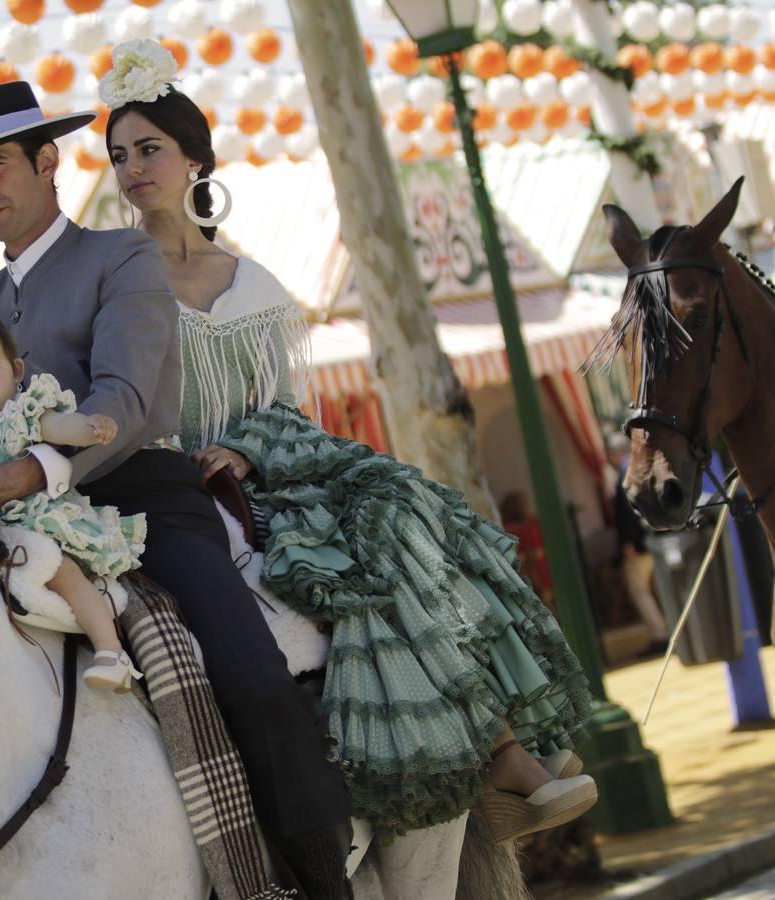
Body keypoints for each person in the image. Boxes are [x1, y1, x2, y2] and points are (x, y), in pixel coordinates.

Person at [99, 39, 598, 850]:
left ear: (196, 159)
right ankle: (494, 757)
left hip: (264, 472)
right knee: (353, 557)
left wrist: (250, 448)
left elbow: (289, 406)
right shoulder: (119, 276)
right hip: (179, 491)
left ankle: (503, 747)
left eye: (149, 149)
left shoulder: (251, 281)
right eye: (119, 155)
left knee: (404, 507)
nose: (132, 169)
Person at [0, 78, 353, 894]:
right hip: (16, 523)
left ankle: (324, 878)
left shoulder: (122, 255)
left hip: (145, 499)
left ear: (49, 163)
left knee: (250, 670)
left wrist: (19, 474)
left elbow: (129, 399)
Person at [0, 310, 146, 691]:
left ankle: (111, 652)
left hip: (30, 518)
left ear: (16, 370)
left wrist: (89, 428)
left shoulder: (19, 415)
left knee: (58, 568)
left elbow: (58, 427)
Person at [605, 432, 670, 649]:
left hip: (639, 543)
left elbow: (627, 510)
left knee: (638, 589)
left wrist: (627, 542)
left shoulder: (626, 471)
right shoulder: (645, 466)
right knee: (659, 585)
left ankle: (660, 634)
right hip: (655, 537)